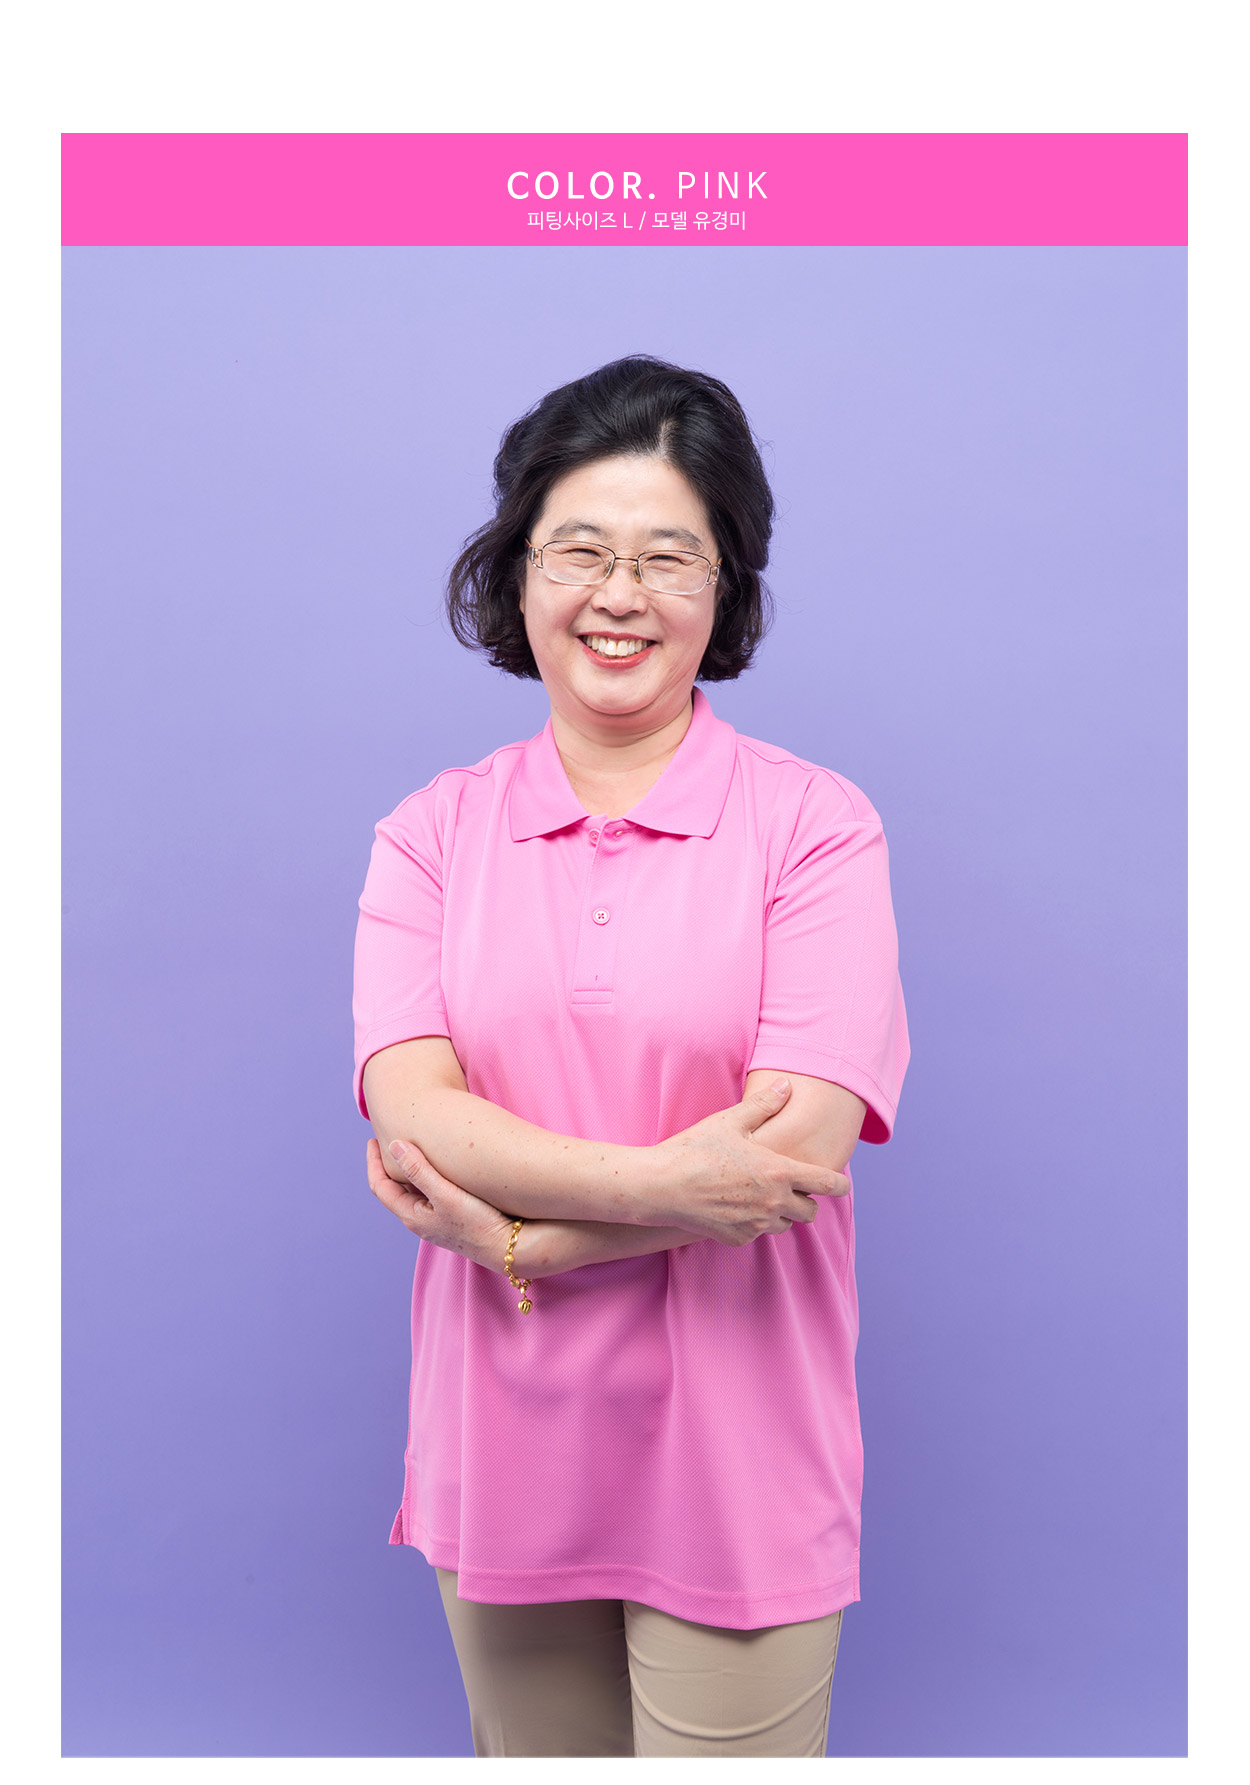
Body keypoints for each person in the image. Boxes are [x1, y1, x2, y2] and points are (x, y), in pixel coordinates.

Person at [351, 355, 910, 1758]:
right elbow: (416, 1114)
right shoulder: (430, 834)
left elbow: (795, 1154)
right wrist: (667, 1189)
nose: (620, 594)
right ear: (517, 572)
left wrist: (529, 1239)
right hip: (500, 1438)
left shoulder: (816, 828)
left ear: (725, 589)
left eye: (670, 557)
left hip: (742, 1448)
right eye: (580, 551)